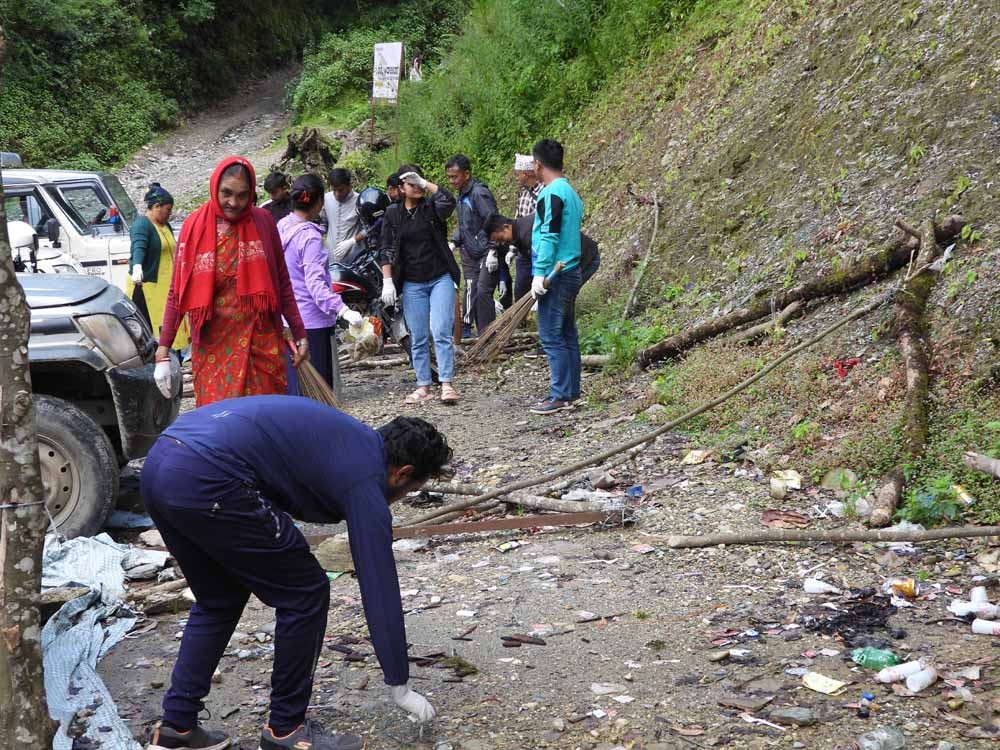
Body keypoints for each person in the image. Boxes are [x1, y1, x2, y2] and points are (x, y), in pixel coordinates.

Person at [141, 399, 450, 750]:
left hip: (161, 462)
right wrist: (400, 683)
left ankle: (176, 728)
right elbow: (378, 582)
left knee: (218, 599)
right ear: (403, 473)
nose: (401, 497)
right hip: (211, 475)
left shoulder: (348, 440)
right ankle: (286, 731)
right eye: (409, 491)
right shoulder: (365, 477)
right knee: (305, 592)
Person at [154, 156, 308, 407]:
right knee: (220, 427)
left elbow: (281, 281)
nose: (233, 203)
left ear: (251, 195)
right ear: (214, 187)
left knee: (264, 424)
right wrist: (163, 350)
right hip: (213, 348)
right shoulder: (195, 226)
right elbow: (177, 292)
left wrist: (300, 333)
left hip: (261, 345)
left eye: (242, 195)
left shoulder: (263, 222)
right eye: (226, 193)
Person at [379, 167, 461, 404]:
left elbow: (449, 200)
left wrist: (425, 183)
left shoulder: (431, 208)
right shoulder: (394, 214)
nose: (414, 187)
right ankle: (423, 385)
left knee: (441, 330)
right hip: (412, 281)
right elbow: (385, 248)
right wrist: (387, 280)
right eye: (409, 183)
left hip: (439, 276)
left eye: (417, 183)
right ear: (401, 188)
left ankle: (446, 383)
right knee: (418, 335)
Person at [278, 174, 363, 391]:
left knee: (295, 387)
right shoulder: (310, 238)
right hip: (312, 324)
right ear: (319, 203)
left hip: (287, 321)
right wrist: (343, 310)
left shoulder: (282, 227)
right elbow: (315, 284)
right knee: (319, 390)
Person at [528, 139, 584, 415]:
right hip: (572, 269)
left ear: (537, 164)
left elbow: (549, 233)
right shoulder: (570, 191)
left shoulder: (551, 193)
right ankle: (572, 390)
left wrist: (540, 273)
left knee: (551, 334)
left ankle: (560, 394)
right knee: (567, 332)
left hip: (557, 273)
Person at [128, 183, 189, 350]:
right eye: (168, 210)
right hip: (150, 287)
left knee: (171, 322)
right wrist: (137, 267)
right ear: (156, 206)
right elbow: (138, 246)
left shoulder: (164, 225)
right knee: (156, 326)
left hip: (167, 284)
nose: (170, 214)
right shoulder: (142, 225)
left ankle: (175, 356)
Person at [445, 154, 500, 334]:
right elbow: (465, 224)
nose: (452, 181)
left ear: (466, 174)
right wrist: (454, 242)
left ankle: (487, 332)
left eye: (455, 177)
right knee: (470, 288)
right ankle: (466, 328)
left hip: (486, 250)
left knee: (483, 290)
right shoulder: (461, 194)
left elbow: (493, 220)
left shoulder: (478, 193)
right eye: (449, 177)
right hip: (468, 250)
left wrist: (493, 249)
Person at [486, 213, 600, 289]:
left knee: (559, 300)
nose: (501, 243)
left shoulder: (528, 233)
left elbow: (547, 260)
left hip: (585, 258)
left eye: (500, 239)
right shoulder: (519, 235)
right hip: (570, 261)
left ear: (506, 227)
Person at [506, 153, 544, 300]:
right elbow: (518, 222)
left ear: (527, 174)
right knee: (520, 289)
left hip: (538, 249)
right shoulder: (523, 193)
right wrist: (512, 249)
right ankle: (522, 321)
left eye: (518, 174)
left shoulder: (543, 192)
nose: (516, 177)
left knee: (540, 287)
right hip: (523, 250)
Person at [323, 169, 365, 264]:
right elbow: (324, 222)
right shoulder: (326, 199)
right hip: (331, 256)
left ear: (349, 186)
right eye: (334, 190)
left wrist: (352, 241)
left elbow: (369, 229)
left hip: (354, 257)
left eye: (341, 190)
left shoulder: (360, 201)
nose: (337, 194)